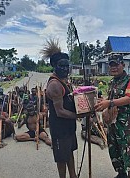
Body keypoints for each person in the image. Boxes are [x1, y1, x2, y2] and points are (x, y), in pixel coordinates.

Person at [95, 55, 130, 178]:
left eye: (116, 64)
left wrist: (109, 103)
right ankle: (121, 174)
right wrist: (103, 101)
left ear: (123, 65)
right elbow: (111, 99)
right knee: (114, 150)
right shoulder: (112, 82)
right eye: (111, 65)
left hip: (125, 125)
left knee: (129, 153)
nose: (113, 67)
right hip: (112, 123)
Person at [44, 39, 78, 178]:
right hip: (60, 127)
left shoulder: (64, 82)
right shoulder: (55, 85)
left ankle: (73, 176)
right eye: (61, 66)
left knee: (69, 151)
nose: (65, 69)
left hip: (68, 127)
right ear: (54, 66)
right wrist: (78, 116)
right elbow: (60, 111)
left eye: (67, 65)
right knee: (61, 158)